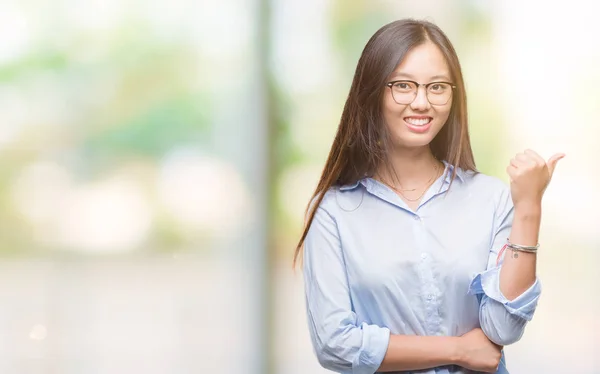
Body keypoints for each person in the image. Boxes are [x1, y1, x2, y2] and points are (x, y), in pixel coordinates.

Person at [293, 19, 564, 374]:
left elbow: (502, 329)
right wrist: (458, 350)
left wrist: (529, 207)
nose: (421, 102)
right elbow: (335, 345)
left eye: (437, 87)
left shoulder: (490, 198)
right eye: (403, 86)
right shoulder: (332, 212)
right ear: (373, 92)